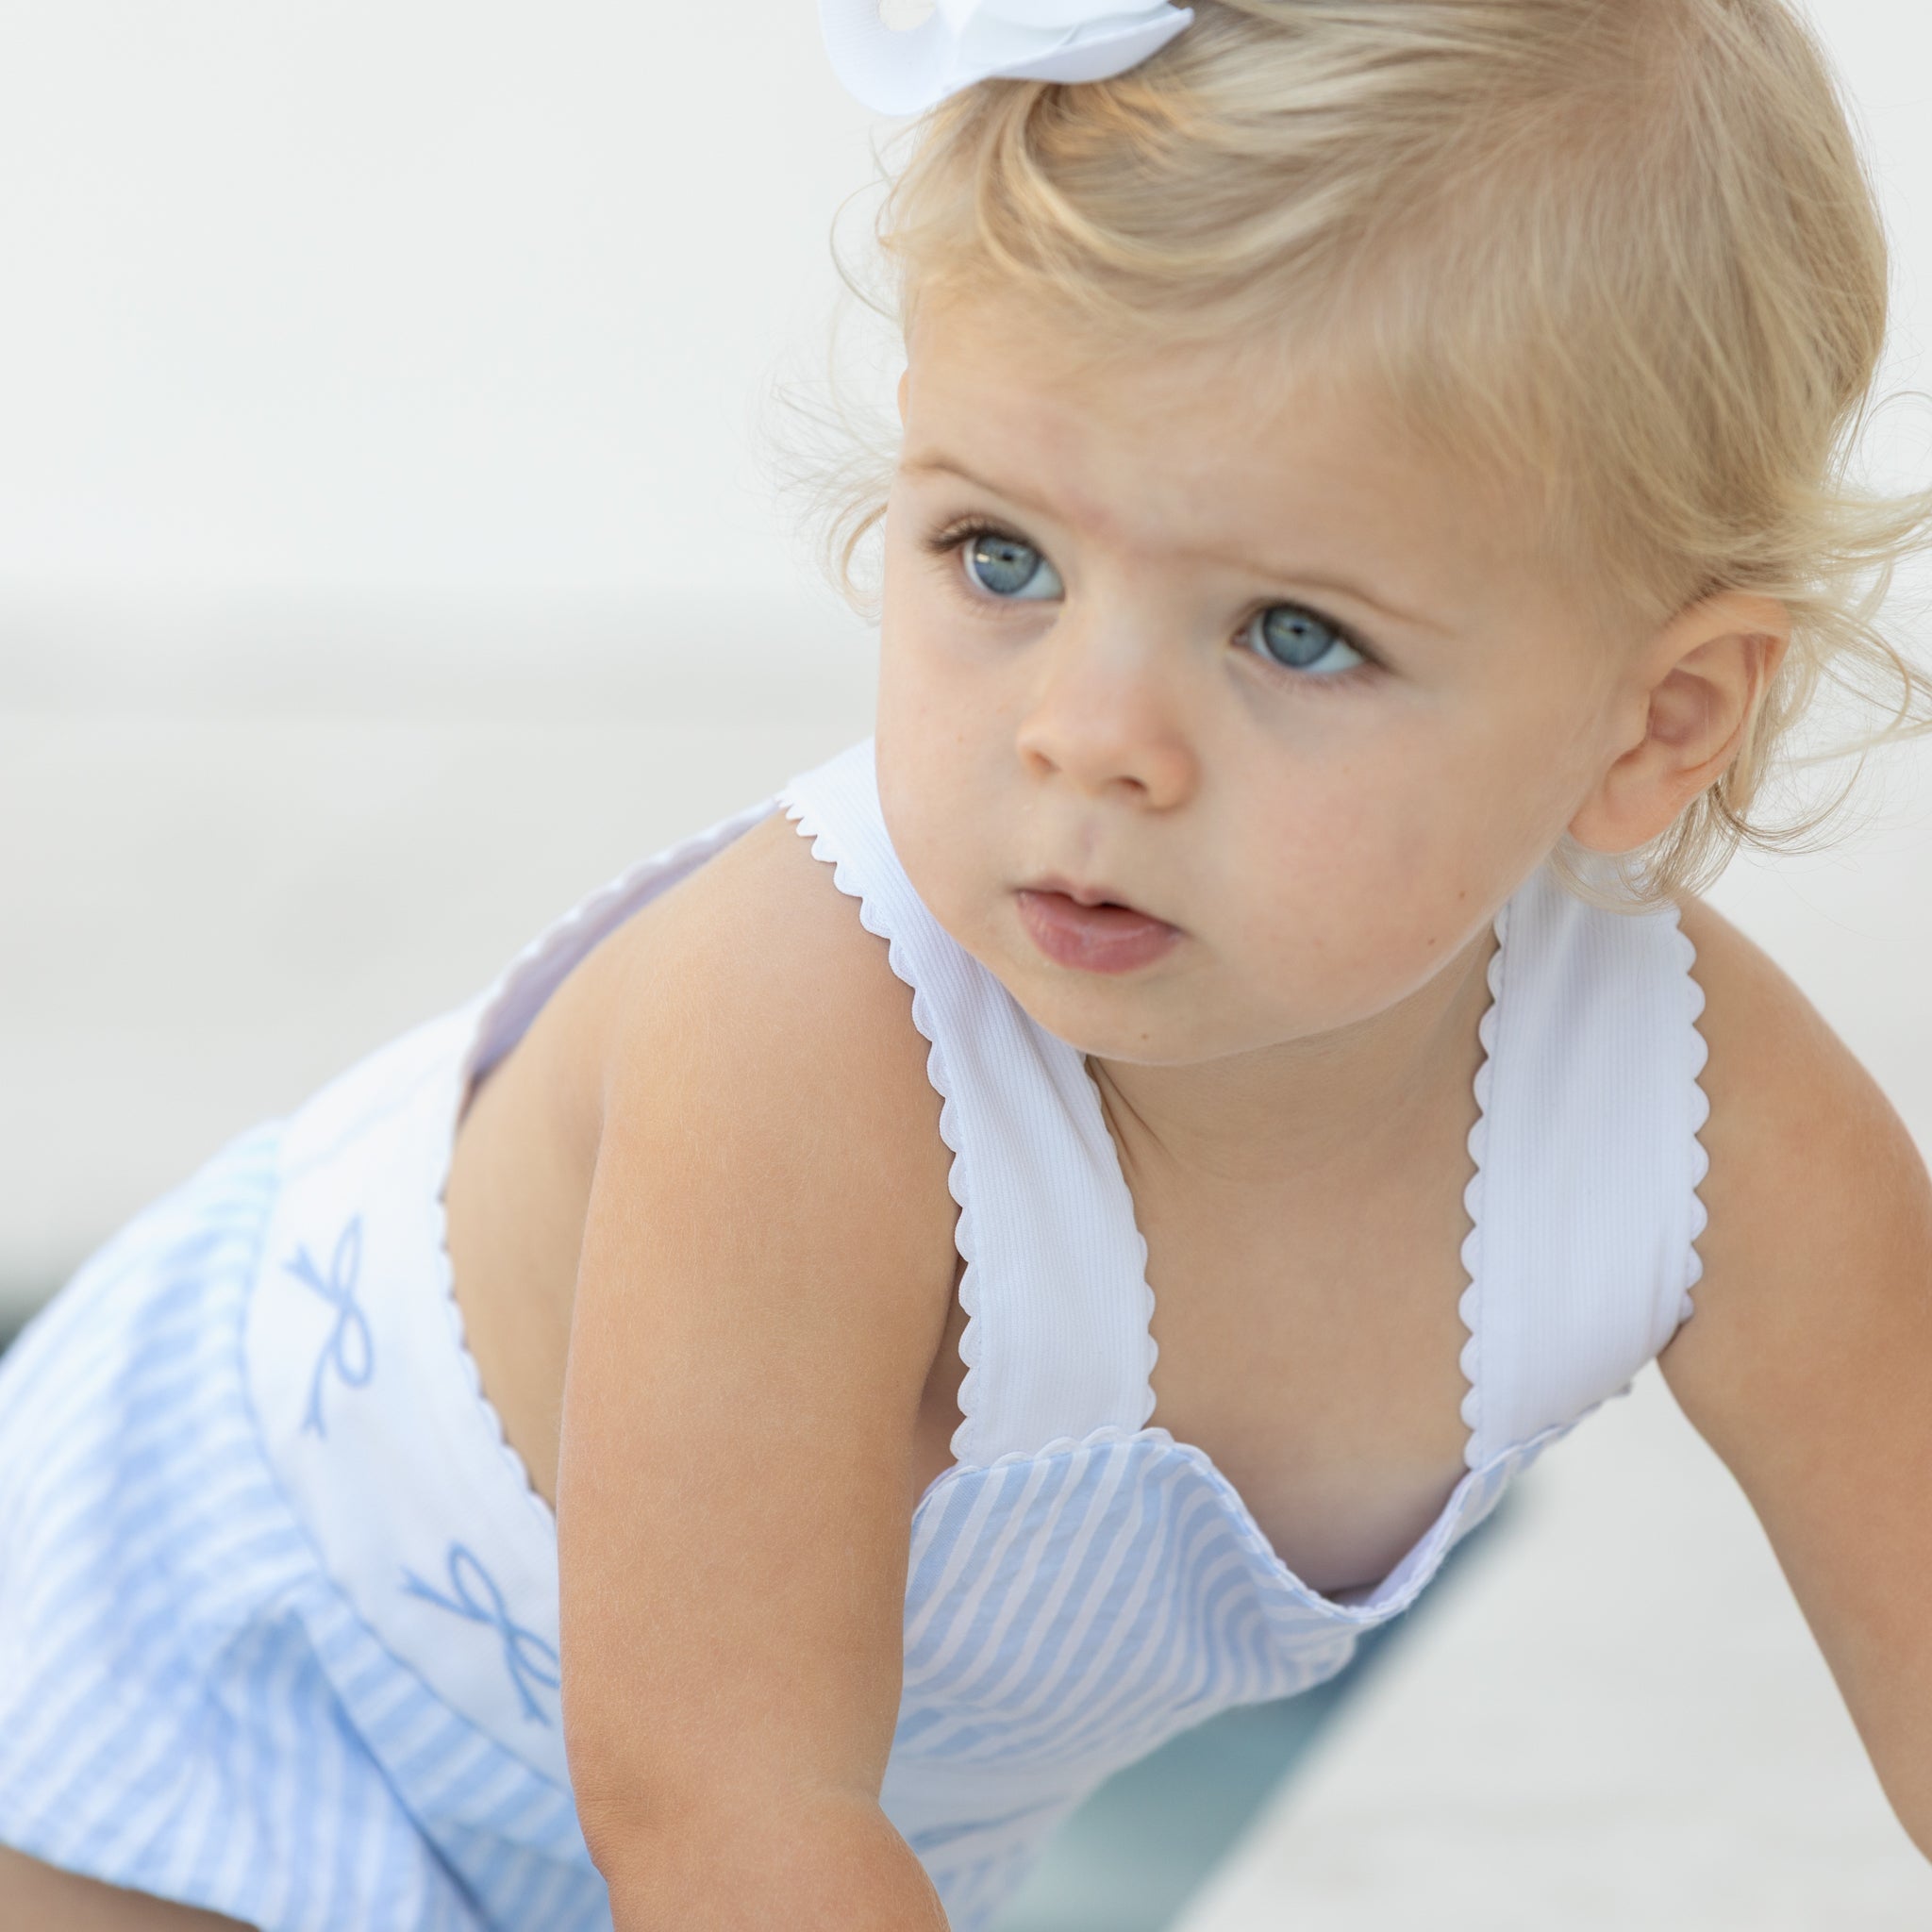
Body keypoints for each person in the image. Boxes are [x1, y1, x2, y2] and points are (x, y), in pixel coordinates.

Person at [4, 1, 1931, 1927]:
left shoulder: (1708, 1137)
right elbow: (719, 1803)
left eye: (1292, 632)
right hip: (223, 1678)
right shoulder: (806, 1039)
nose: (1087, 738)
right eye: (1001, 558)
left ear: (1658, 724)